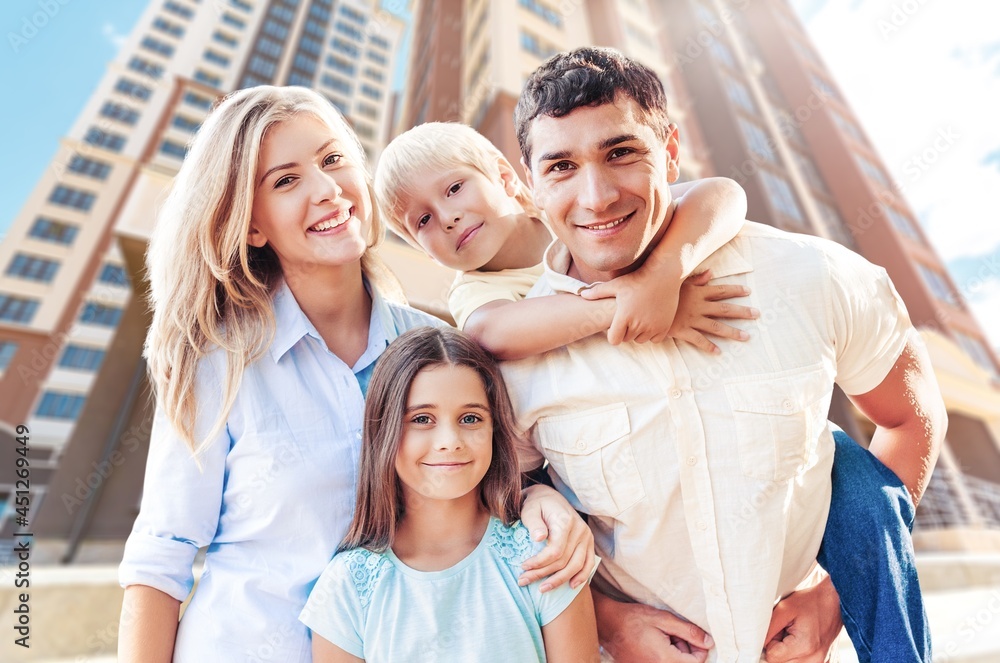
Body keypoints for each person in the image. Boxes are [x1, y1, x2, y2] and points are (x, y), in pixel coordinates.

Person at [116, 86, 594, 662]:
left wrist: (542, 498)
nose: (326, 189)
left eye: (333, 159)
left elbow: (494, 496)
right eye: (285, 181)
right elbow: (161, 556)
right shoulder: (219, 363)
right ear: (251, 227)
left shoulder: (439, 349)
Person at [502, 47, 947, 662]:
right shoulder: (514, 355)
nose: (597, 195)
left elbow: (909, 415)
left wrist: (832, 601)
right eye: (560, 167)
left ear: (672, 150)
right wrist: (602, 620)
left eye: (621, 152)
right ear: (531, 184)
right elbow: (498, 508)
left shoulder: (810, 275)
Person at [300, 326, 601, 662]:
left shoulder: (543, 557)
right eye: (422, 418)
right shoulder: (347, 588)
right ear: (384, 432)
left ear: (494, 430)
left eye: (470, 418)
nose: (450, 440)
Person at [374, 122, 757, 359]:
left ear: (505, 178)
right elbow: (491, 333)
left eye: (455, 188)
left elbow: (721, 193)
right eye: (423, 220)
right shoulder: (474, 290)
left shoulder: (570, 210)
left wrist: (662, 276)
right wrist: (635, 303)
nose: (448, 218)